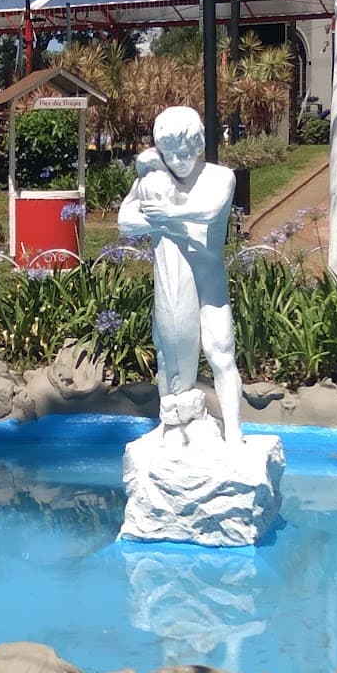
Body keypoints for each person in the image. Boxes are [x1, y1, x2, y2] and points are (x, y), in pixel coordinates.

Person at [117, 105, 243, 444]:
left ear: (199, 144)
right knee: (169, 350)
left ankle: (234, 431)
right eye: (169, 154)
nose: (177, 160)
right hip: (174, 285)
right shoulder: (155, 181)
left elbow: (210, 210)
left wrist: (168, 215)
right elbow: (125, 221)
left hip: (209, 281)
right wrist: (159, 216)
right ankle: (173, 423)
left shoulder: (219, 177)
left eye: (184, 152)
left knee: (220, 351)